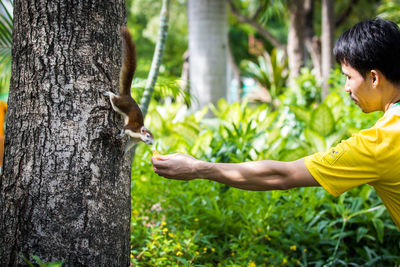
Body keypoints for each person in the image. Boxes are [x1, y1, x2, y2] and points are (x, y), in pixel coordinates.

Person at [152, 18, 400, 230]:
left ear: (374, 77)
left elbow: (283, 175)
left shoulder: (380, 143)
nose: (346, 87)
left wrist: (198, 169)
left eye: (348, 77)